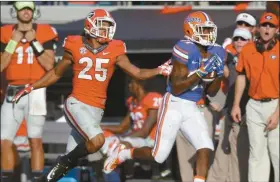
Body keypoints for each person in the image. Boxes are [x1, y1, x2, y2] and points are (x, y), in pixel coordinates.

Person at [12, 9, 171, 182]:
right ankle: (64, 162)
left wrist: (159, 70)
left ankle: (45, 178)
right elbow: (56, 73)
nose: (106, 30)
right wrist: (31, 87)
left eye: (108, 27)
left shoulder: (115, 48)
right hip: (76, 104)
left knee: (69, 161)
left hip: (96, 111)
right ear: (90, 26)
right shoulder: (74, 44)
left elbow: (138, 72)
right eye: (102, 26)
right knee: (97, 141)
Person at [103, 11, 226, 182]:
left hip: (192, 105)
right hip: (174, 103)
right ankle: (124, 153)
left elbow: (212, 92)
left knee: (205, 146)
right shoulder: (184, 48)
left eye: (209, 30)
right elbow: (177, 88)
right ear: (190, 30)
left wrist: (217, 74)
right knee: (158, 155)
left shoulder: (217, 52)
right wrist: (201, 72)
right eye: (203, 30)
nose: (208, 34)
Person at [0, 2, 58, 181]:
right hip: (13, 89)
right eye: (22, 8)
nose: (26, 12)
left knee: (35, 139)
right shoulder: (5, 32)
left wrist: (34, 41)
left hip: (35, 90)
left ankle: (37, 178)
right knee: (4, 140)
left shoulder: (45, 31)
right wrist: (13, 41)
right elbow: (1, 65)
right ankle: (7, 178)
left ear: (34, 11)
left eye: (29, 8)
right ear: (15, 11)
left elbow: (50, 65)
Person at [231, 12, 279, 182]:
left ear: (276, 29)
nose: (267, 28)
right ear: (258, 28)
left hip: (275, 104)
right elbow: (241, 76)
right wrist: (236, 104)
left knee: (277, 153)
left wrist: (277, 113)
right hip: (253, 105)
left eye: (271, 26)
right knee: (257, 154)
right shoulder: (248, 49)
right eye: (264, 25)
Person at [207, 27, 252, 182]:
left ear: (250, 42)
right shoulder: (230, 60)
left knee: (240, 158)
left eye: (243, 39)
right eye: (237, 38)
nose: (239, 41)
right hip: (230, 113)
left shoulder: (254, 60)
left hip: (247, 115)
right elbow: (222, 76)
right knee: (222, 156)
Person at [175, 96, 215, 182]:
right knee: (185, 156)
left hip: (202, 107)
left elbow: (213, 88)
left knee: (204, 151)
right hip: (181, 108)